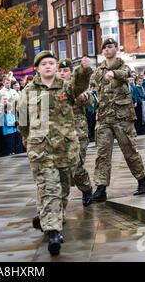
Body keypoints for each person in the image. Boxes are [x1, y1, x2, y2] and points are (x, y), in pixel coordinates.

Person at [17, 50, 92, 256]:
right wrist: (25, 135)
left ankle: (46, 217)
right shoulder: (29, 90)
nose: (48, 66)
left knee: (63, 189)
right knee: (49, 187)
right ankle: (54, 232)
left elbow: (79, 87)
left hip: (65, 148)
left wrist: (84, 71)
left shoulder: (65, 87)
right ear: (37, 68)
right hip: (41, 148)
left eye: (52, 63)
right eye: (44, 64)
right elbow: (22, 115)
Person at [92, 38, 145, 203]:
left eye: (110, 47)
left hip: (122, 117)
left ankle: (142, 180)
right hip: (104, 117)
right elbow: (93, 84)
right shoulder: (99, 70)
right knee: (102, 154)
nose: (106, 50)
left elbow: (126, 74)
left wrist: (114, 73)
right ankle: (101, 187)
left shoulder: (123, 66)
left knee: (129, 151)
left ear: (116, 49)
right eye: (104, 48)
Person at [57, 58, 93, 207]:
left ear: (71, 72)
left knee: (76, 165)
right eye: (60, 71)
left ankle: (86, 188)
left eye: (65, 71)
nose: (62, 73)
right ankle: (57, 206)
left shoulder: (77, 85)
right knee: (62, 168)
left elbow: (91, 99)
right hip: (60, 132)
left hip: (78, 129)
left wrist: (83, 97)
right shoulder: (55, 87)